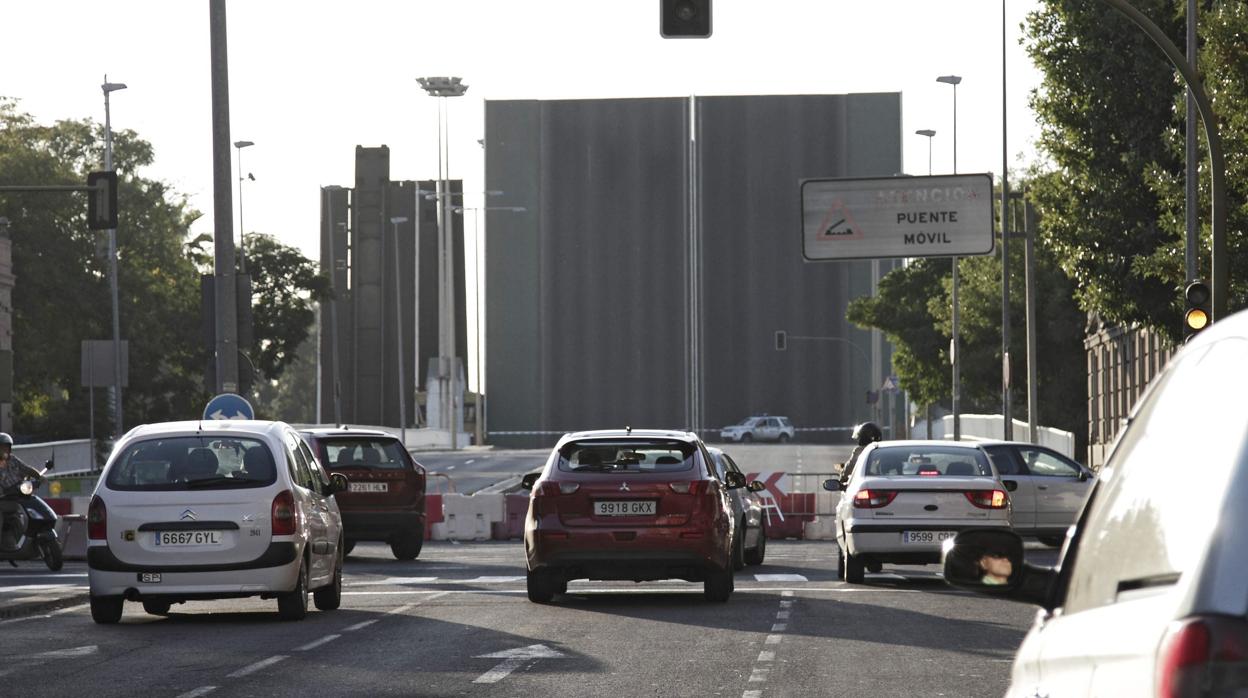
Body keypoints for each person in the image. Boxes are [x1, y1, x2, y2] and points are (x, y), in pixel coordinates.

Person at [0, 433, 39, 550]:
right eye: (2, 447)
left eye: (7, 447)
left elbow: (27, 469)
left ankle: (10, 546)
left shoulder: (13, 460)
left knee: (19, 524)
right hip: (2, 500)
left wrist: (39, 477)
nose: (5, 449)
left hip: (15, 499)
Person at [838, 421, 883, 486]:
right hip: (882, 484)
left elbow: (850, 467)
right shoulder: (883, 450)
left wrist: (843, 477)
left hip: (865, 485)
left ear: (863, 438)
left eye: (860, 437)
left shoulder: (860, 451)